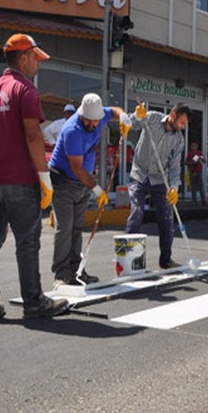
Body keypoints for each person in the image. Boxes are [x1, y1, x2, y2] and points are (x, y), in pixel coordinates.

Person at [0, 33, 68, 320]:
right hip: (19, 180)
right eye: (36, 59)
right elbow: (33, 135)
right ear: (24, 57)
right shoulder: (25, 90)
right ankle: (33, 302)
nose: (38, 65)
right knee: (27, 242)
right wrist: (44, 178)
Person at [48, 93, 131, 287]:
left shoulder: (99, 116)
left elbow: (114, 111)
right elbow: (76, 167)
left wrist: (124, 117)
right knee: (65, 229)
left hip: (83, 182)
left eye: (97, 121)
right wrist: (97, 189)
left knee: (77, 228)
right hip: (64, 180)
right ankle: (61, 274)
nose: (94, 125)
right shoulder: (72, 130)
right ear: (82, 115)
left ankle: (76, 271)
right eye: (90, 121)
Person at [125, 102, 190, 269]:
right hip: (140, 174)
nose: (183, 127)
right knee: (137, 212)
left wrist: (174, 187)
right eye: (182, 122)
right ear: (173, 115)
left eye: (185, 124)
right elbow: (132, 124)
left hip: (161, 179)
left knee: (167, 218)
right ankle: (131, 262)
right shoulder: (152, 118)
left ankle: (166, 259)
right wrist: (138, 115)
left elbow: (175, 167)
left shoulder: (178, 140)